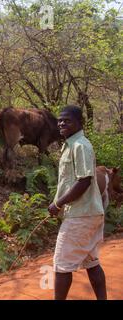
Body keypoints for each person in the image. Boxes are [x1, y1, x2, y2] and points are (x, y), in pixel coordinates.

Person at [48, 105, 107, 300]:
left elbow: (84, 181)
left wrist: (58, 204)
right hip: (89, 213)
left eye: (67, 120)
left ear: (79, 123)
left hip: (81, 215)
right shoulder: (71, 144)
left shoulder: (80, 145)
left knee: (61, 265)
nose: (62, 123)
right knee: (91, 262)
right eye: (60, 120)